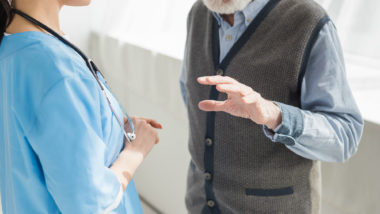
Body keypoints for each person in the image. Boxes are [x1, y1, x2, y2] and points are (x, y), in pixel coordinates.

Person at [180, 0, 364, 213]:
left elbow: (345, 135)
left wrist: (275, 116)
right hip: (200, 202)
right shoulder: (199, 12)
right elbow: (189, 92)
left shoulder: (308, 21)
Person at [0, 0, 162, 213]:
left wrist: (108, 126)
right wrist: (137, 149)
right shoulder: (55, 68)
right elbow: (90, 203)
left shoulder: (12, 48)